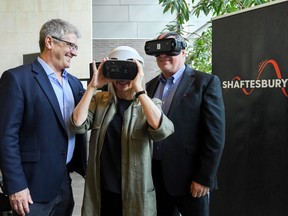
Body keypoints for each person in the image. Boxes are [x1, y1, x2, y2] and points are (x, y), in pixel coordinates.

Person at [70, 46, 174, 216]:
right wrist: (92, 87)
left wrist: (139, 89)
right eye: (116, 71)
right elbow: (77, 124)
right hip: (103, 190)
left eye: (128, 70)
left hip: (135, 193)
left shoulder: (149, 104)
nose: (121, 78)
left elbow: (161, 130)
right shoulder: (100, 101)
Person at [0, 19, 87, 216]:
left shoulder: (74, 84)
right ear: (50, 42)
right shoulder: (16, 79)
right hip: (31, 188)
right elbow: (6, 137)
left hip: (64, 182)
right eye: (71, 45)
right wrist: (15, 186)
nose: (75, 52)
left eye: (76, 47)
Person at [145, 32, 225, 216]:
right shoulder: (149, 87)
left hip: (190, 178)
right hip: (155, 178)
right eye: (158, 52)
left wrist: (204, 178)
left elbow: (215, 136)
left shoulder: (205, 83)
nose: (163, 56)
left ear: (183, 52)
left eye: (169, 50)